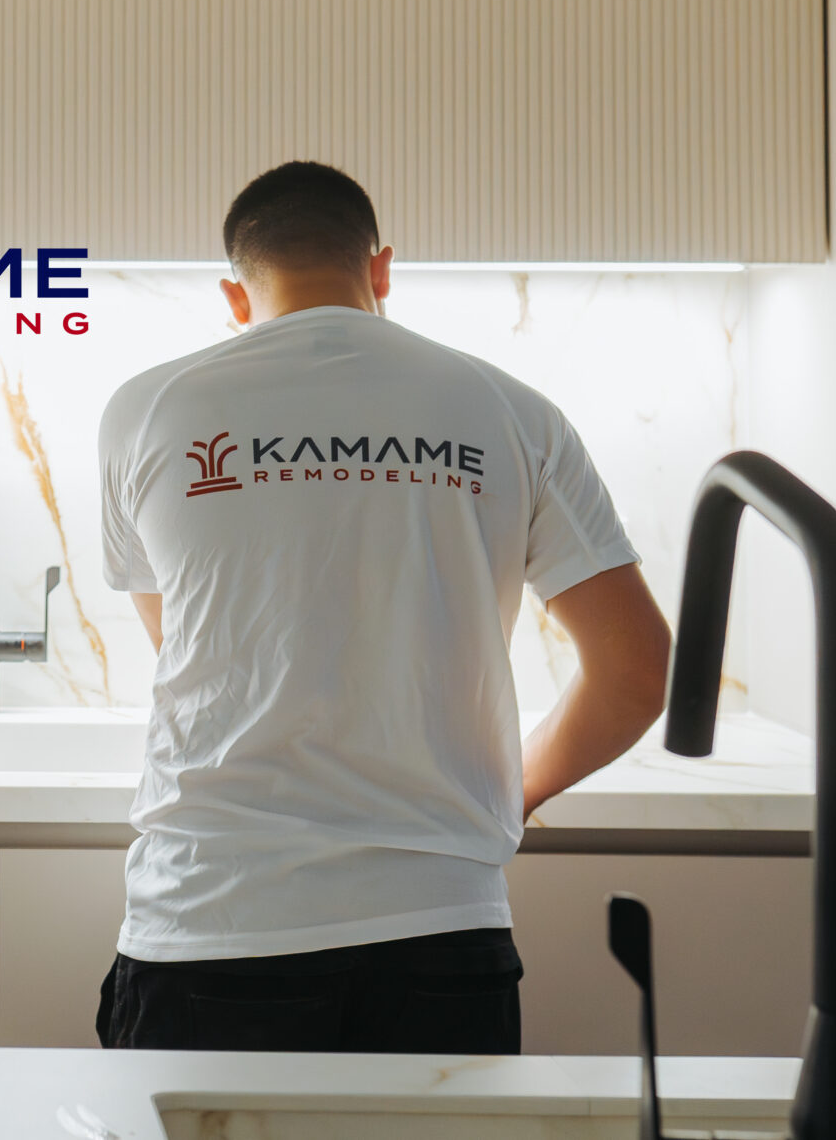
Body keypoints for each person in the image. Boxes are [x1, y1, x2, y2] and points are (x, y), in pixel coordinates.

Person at [93, 161, 670, 1054]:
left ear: (235, 295)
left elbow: (191, 647)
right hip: (440, 924)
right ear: (383, 268)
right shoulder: (510, 409)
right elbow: (635, 673)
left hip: (211, 922)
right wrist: (511, 791)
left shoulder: (149, 409)